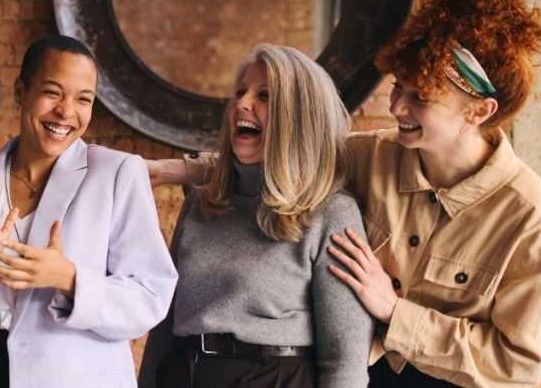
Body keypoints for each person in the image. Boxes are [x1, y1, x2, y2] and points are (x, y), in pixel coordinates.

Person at [0, 35, 178, 388]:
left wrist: (69, 279)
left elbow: (150, 297)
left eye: (83, 99)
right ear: (19, 91)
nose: (66, 111)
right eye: (53, 92)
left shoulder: (118, 174)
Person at [326, 0, 541, 386]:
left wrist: (395, 312)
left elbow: (522, 365)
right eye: (398, 87)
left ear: (479, 112)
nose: (396, 108)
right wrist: (176, 170)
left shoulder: (530, 217)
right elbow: (285, 164)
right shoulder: (370, 156)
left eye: (420, 98)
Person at [138, 44, 374, 387]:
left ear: (298, 116)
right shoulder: (201, 203)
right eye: (240, 92)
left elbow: (344, 362)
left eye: (264, 95)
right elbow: (164, 328)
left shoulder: (332, 214)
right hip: (182, 375)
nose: (242, 104)